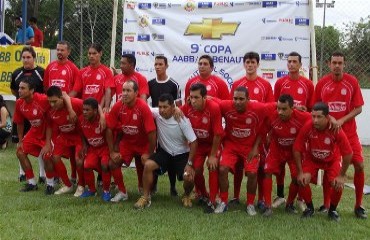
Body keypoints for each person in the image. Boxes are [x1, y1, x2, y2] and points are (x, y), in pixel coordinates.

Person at [314, 52, 367, 219]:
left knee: (359, 165)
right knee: (331, 168)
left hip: (349, 133)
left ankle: (358, 205)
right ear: (329, 64)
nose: (337, 66)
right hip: (330, 135)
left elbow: (358, 108)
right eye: (334, 62)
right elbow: (316, 108)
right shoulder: (322, 84)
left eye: (340, 63)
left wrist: (341, 120)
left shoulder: (352, 82)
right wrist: (330, 119)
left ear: (344, 64)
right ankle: (327, 204)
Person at [134, 93, 197, 209]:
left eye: (165, 107)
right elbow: (142, 106)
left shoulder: (182, 119)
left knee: (189, 177)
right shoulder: (157, 114)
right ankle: (145, 197)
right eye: (160, 107)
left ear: (172, 107)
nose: (162, 110)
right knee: (148, 165)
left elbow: (194, 142)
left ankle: (186, 195)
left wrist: (189, 163)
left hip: (181, 155)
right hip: (165, 153)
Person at [229, 51, 274, 209]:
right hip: (241, 133)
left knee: (260, 167)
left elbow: (269, 111)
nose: (250, 65)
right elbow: (232, 108)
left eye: (253, 62)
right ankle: (235, 196)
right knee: (239, 166)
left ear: (257, 64)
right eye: (247, 62)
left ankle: (261, 199)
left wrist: (267, 133)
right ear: (244, 64)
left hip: (259, 134)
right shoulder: (237, 84)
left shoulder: (265, 85)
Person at [293, 102, 352, 221]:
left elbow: (348, 153)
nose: (315, 120)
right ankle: (310, 208)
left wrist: (341, 175)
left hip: (332, 160)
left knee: (337, 184)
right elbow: (297, 149)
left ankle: (332, 210)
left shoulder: (335, 129)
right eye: (313, 116)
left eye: (319, 117)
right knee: (301, 179)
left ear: (327, 117)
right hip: (312, 159)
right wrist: (299, 172)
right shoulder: (308, 126)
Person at [13, 78, 73, 194]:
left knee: (47, 156)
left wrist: (70, 111)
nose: (19, 90)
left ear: (32, 91)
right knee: (20, 151)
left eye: (23, 88)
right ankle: (32, 183)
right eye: (19, 88)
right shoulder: (19, 103)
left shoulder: (42, 99)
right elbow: (19, 122)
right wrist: (20, 140)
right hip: (34, 132)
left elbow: (64, 95)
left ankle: (50, 184)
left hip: (49, 133)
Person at [272, 51, 314, 209]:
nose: (291, 64)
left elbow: (312, 110)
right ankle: (281, 196)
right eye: (289, 61)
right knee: (280, 167)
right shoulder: (280, 83)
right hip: (282, 132)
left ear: (300, 64)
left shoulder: (308, 84)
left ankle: (300, 199)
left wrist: (304, 110)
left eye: (294, 61)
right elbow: (275, 107)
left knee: (298, 167)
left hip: (299, 133)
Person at [215, 86, 266, 215]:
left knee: (253, 174)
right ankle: (224, 202)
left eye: (241, 99)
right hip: (231, 145)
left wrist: (256, 148)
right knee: (222, 169)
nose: (237, 102)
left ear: (248, 99)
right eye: (235, 99)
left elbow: (269, 119)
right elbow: (211, 100)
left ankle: (250, 204)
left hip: (249, 147)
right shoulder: (226, 106)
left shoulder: (258, 108)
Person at [106, 80, 156, 203]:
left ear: (136, 93)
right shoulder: (118, 105)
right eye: (123, 90)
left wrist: (149, 153)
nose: (125, 93)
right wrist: (112, 151)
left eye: (128, 90)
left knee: (145, 163)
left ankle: (146, 192)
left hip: (144, 143)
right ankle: (122, 192)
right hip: (127, 143)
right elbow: (109, 129)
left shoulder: (143, 107)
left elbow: (152, 132)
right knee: (113, 163)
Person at [261, 94, 311, 217]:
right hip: (276, 148)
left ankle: (289, 204)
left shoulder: (303, 117)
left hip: (295, 151)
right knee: (267, 171)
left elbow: (317, 118)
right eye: (278, 108)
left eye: (284, 109)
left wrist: (331, 119)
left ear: (292, 108)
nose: (280, 112)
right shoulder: (272, 115)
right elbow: (263, 129)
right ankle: (268, 206)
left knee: (296, 178)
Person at [180, 83, 223, 212]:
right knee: (196, 170)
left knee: (212, 166)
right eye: (191, 97)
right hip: (197, 145)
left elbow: (218, 134)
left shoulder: (213, 108)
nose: (193, 101)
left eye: (196, 97)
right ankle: (203, 194)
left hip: (212, 144)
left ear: (205, 98)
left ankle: (213, 199)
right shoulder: (188, 107)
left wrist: (212, 155)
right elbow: (176, 112)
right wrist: (177, 109)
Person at [10, 46, 45, 182]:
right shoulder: (16, 73)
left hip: (37, 115)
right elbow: (14, 90)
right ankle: (22, 173)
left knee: (40, 143)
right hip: (23, 113)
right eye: (23, 57)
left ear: (34, 58)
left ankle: (42, 175)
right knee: (21, 142)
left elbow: (45, 90)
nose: (26, 60)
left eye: (28, 57)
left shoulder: (41, 72)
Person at [148, 55, 182, 196]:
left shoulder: (173, 84)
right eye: (156, 64)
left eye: (160, 64)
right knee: (154, 153)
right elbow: (145, 103)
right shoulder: (150, 83)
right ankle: (153, 184)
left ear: (166, 66)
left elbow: (178, 106)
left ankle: (172, 186)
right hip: (154, 122)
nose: (157, 67)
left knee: (169, 151)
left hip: (169, 124)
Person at [42, 86, 84, 196]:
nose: (52, 104)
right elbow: (49, 127)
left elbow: (93, 109)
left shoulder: (76, 103)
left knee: (78, 159)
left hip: (79, 136)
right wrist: (47, 144)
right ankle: (68, 185)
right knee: (55, 157)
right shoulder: (49, 109)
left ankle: (81, 185)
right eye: (50, 102)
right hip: (64, 135)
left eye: (54, 101)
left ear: (62, 98)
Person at [77, 98, 111, 201]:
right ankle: (92, 190)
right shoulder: (81, 119)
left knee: (105, 165)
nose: (85, 112)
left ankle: (106, 191)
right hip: (93, 148)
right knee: (86, 166)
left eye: (87, 110)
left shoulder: (103, 119)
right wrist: (84, 145)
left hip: (104, 148)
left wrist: (112, 149)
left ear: (95, 111)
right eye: (83, 110)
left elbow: (111, 133)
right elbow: (81, 133)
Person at [71, 43, 114, 112]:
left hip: (99, 109)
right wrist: (66, 100)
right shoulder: (82, 72)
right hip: (85, 109)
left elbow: (108, 91)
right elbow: (75, 91)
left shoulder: (106, 71)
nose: (91, 56)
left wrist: (106, 107)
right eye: (89, 53)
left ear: (100, 53)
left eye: (94, 53)